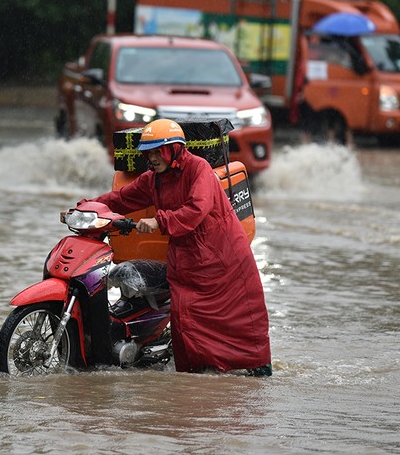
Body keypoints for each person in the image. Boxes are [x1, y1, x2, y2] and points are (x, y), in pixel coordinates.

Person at [86, 119, 272, 375]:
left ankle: (257, 367)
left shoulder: (199, 169)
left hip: (223, 257)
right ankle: (195, 377)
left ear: (174, 149)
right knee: (186, 318)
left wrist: (159, 221)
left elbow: (196, 209)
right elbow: (121, 198)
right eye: (148, 153)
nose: (152, 158)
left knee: (241, 322)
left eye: (157, 151)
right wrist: (88, 207)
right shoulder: (153, 179)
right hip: (187, 258)